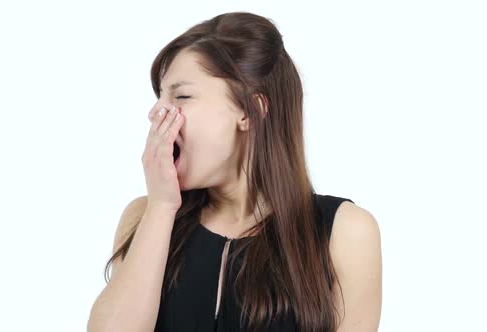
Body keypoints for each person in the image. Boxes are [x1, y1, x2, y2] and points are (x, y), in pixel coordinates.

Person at [88, 11, 382, 332]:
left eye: (181, 95)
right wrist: (161, 207)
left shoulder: (346, 232)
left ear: (250, 111)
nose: (157, 112)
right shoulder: (145, 216)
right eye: (159, 96)